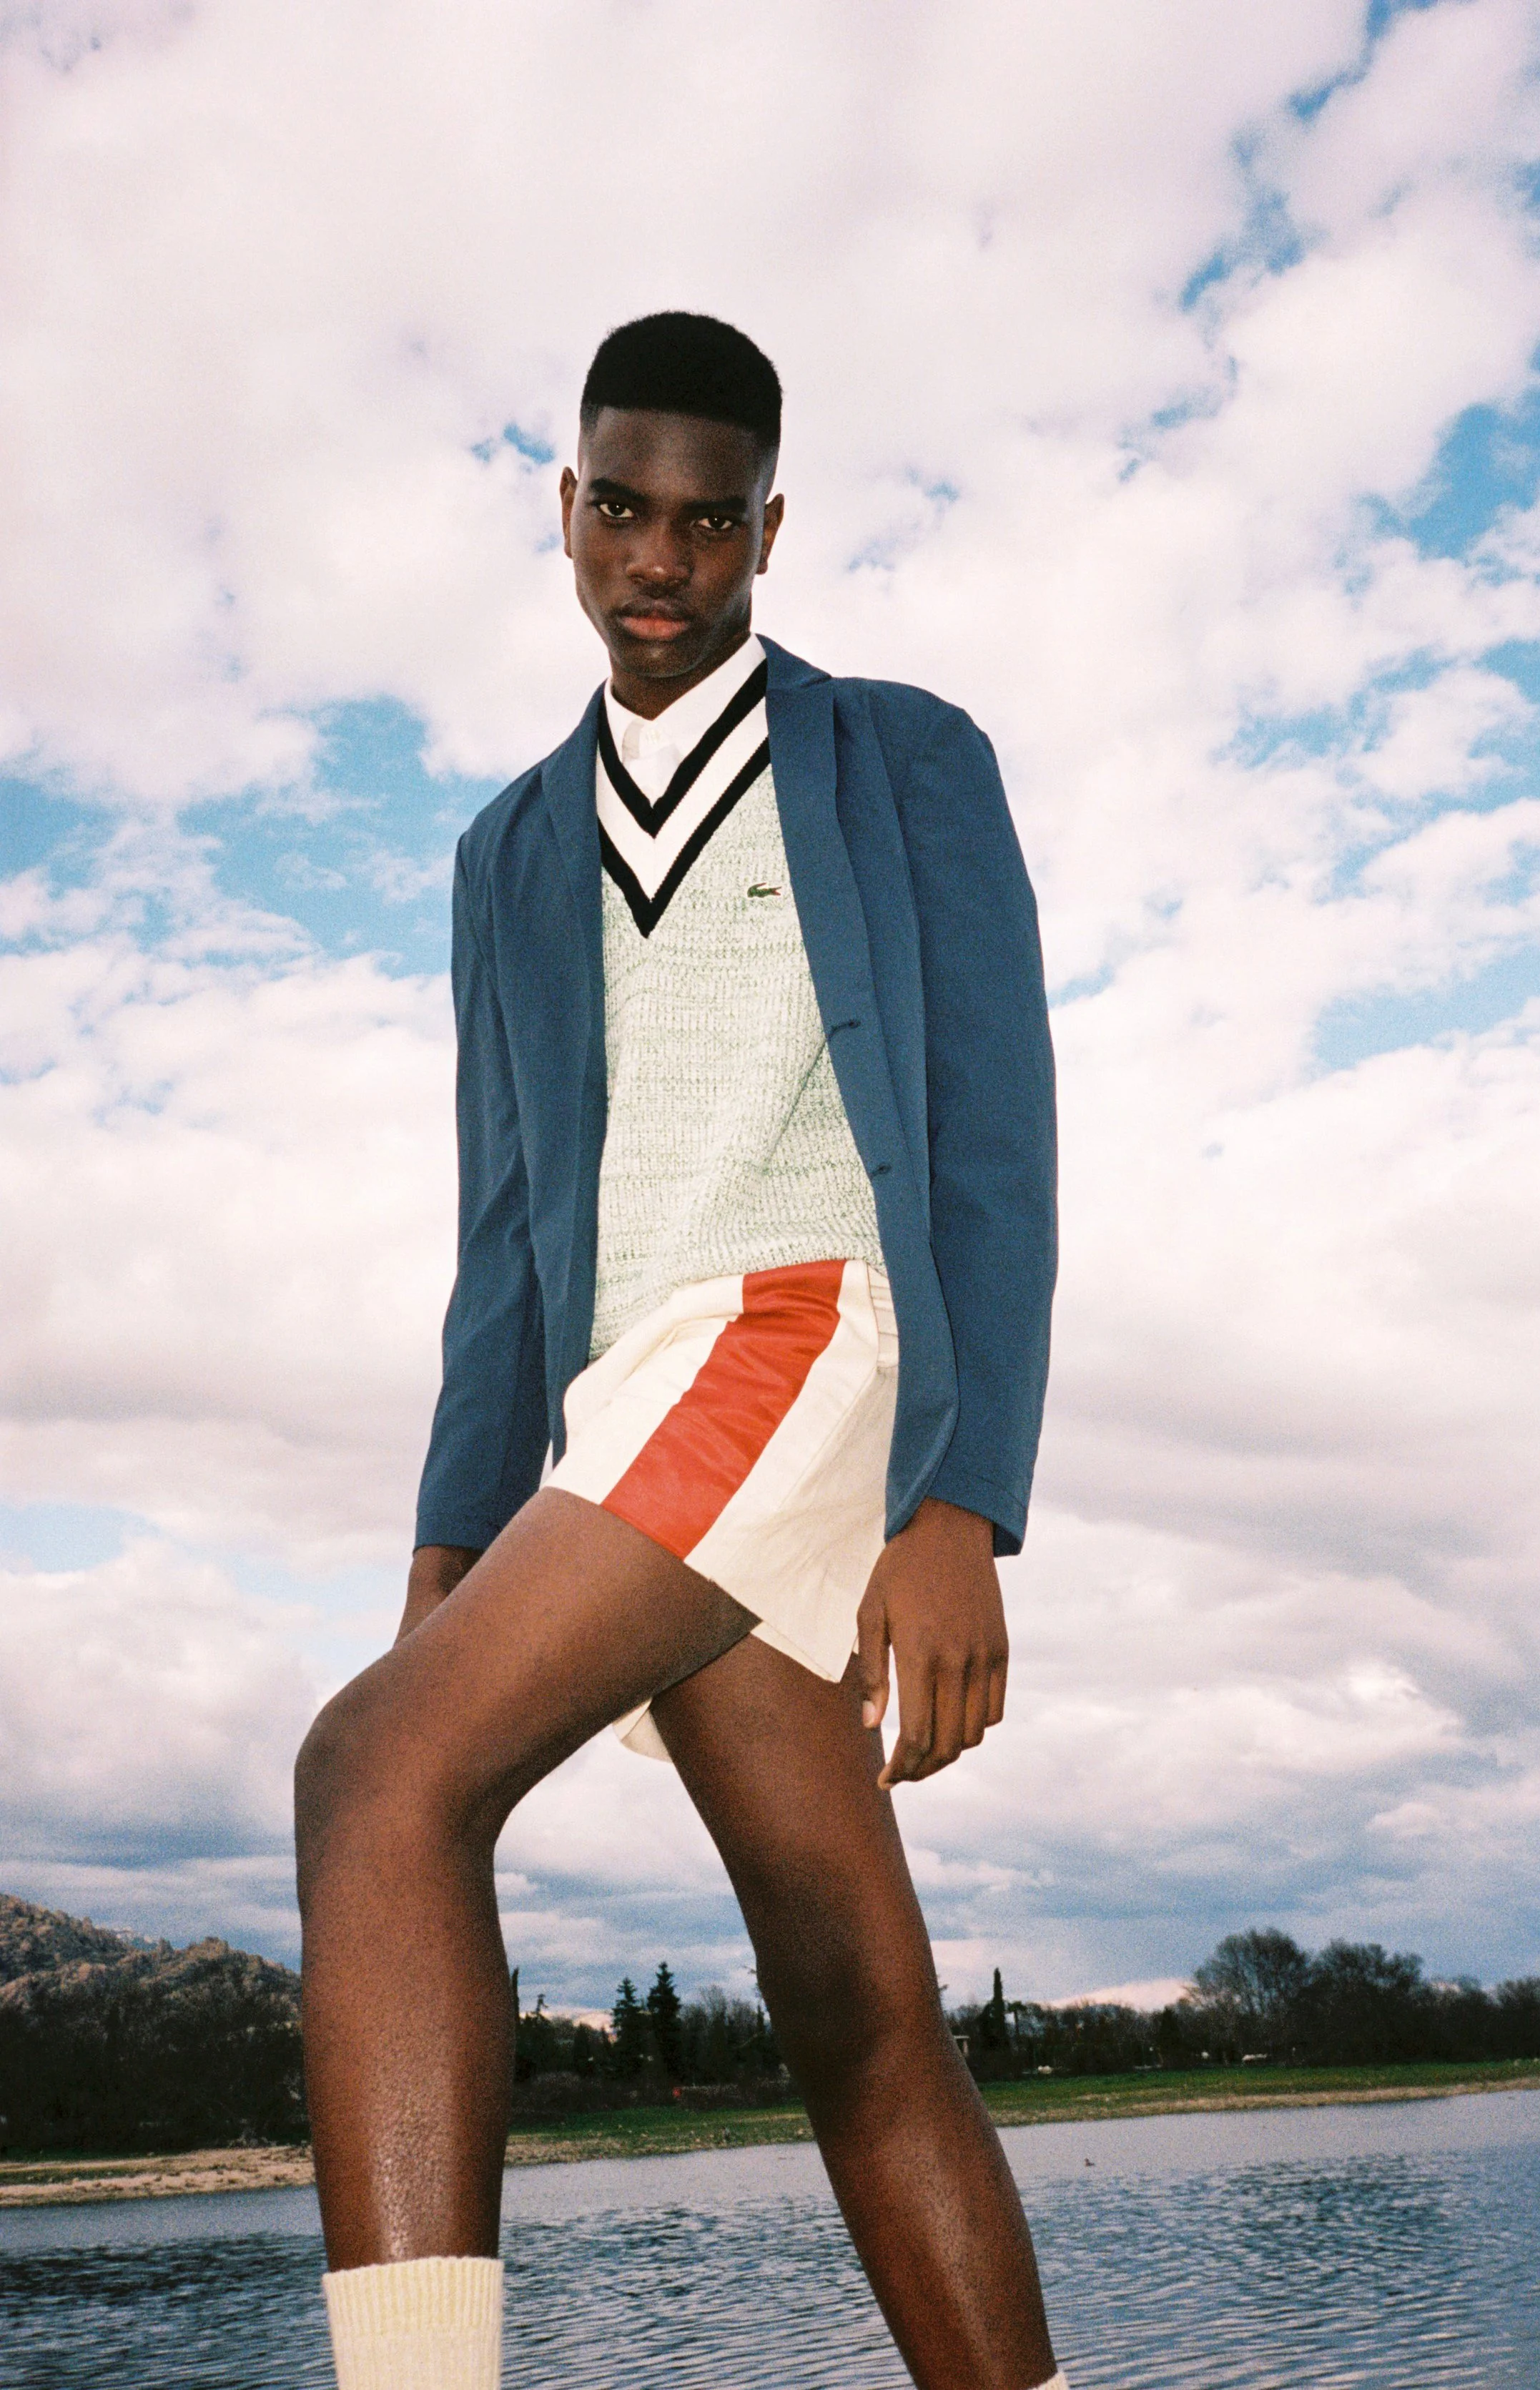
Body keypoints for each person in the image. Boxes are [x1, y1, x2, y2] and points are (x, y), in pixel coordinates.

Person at [295, 311, 1062, 2390]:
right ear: (567, 510)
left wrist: (960, 1493)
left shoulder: (899, 755)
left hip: (806, 1339)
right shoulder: (506, 853)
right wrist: (457, 1543)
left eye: (709, 526)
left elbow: (992, 1142)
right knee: (848, 1998)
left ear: (767, 532)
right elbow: (502, 1233)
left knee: (370, 1778)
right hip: (634, 1409)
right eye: (622, 511)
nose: (662, 562)